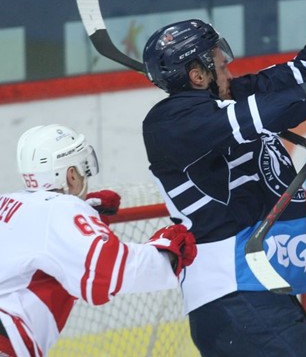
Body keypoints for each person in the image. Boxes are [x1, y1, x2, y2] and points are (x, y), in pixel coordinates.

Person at [139, 0, 306, 357]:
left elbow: (303, 73)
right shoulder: (168, 123)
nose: (225, 60)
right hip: (232, 297)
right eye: (214, 57)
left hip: (259, 290)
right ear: (196, 74)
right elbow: (251, 119)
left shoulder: (230, 96)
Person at [0, 124, 197, 357]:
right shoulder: (59, 210)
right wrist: (167, 253)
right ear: (71, 175)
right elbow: (107, 273)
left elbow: (40, 246)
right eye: (84, 169)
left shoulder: (9, 201)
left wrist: (87, 219)